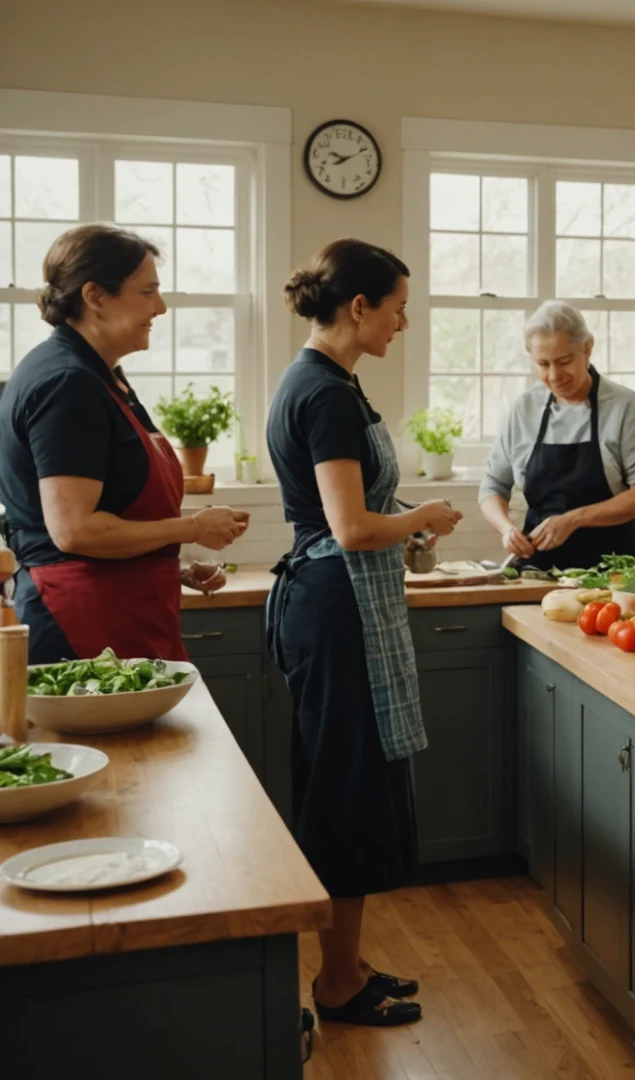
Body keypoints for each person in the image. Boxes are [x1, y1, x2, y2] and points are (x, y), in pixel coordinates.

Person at [265, 239, 462, 1027]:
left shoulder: (318, 381)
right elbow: (349, 528)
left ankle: (346, 963)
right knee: (347, 795)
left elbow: (344, 513)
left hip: (328, 603)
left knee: (347, 784)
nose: (403, 323)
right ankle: (337, 983)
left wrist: (407, 525)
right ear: (358, 307)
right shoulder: (329, 395)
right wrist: (418, 518)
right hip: (336, 607)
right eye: (398, 307)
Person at [0, 225, 248, 664]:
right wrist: (192, 528)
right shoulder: (67, 383)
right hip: (80, 623)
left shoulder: (100, 374)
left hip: (117, 611)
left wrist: (168, 567)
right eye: (148, 291)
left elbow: (114, 504)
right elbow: (74, 529)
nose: (162, 307)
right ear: (95, 296)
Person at [478, 301, 635, 569]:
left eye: (564, 361)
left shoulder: (625, 406)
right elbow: (493, 485)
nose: (554, 375)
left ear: (588, 348)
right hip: (539, 570)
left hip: (617, 569)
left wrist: (572, 519)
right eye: (543, 364)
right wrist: (507, 529)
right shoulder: (524, 409)